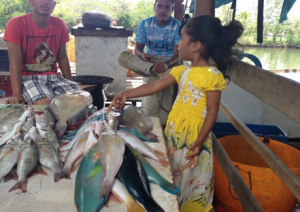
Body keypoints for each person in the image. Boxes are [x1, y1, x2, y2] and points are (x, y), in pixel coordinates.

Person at [108, 16, 244, 211]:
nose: (178, 44)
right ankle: (174, 205)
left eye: (182, 38)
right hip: (175, 132)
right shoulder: (182, 71)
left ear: (196, 46)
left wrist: (199, 140)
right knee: (174, 173)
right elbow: (155, 86)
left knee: (191, 177)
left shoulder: (212, 76)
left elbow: (212, 112)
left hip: (195, 137)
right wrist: (126, 94)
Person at [3, 0, 81, 105]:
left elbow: (62, 58)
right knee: (45, 104)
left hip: (55, 78)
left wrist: (70, 85)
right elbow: (14, 62)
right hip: (29, 79)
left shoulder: (59, 24)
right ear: (31, 2)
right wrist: (17, 94)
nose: (45, 2)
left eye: (49, 0)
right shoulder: (16, 24)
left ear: (54, 4)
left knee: (80, 102)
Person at [117, 0, 181, 125]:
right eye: (160, 6)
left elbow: (178, 55)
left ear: (172, 9)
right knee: (121, 56)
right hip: (148, 63)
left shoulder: (177, 25)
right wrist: (142, 55)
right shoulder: (145, 24)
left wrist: (166, 64)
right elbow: (138, 49)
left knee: (154, 81)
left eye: (167, 7)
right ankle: (152, 70)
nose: (163, 10)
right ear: (154, 7)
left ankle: (152, 122)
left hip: (169, 64)